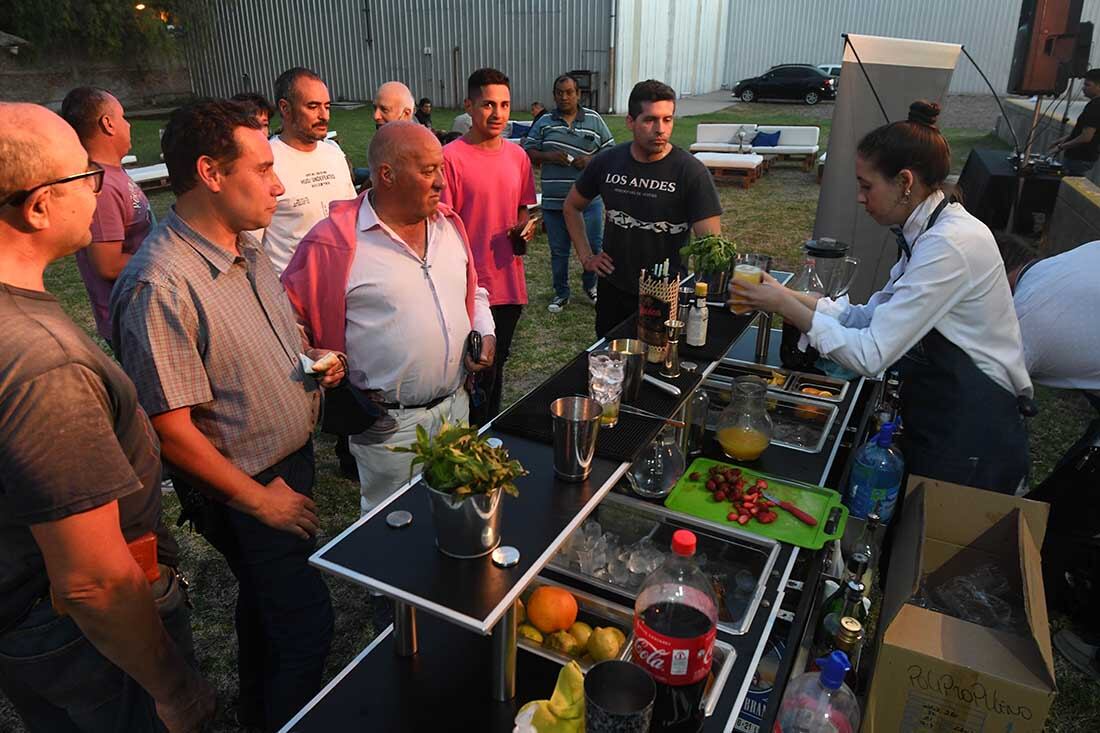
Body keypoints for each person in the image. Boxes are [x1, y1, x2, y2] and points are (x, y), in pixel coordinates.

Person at [110, 99, 344, 733]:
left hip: (284, 467)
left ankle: (258, 708)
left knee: (267, 610)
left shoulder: (244, 244)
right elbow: (171, 431)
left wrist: (307, 362)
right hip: (246, 488)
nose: (278, 183)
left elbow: (257, 343)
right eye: (264, 168)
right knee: (305, 628)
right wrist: (260, 502)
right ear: (211, 173)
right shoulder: (161, 283)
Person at [0, 102, 215, 733]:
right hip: (82, 638)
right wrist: (173, 689)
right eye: (84, 177)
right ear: (38, 205)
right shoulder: (43, 364)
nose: (99, 189)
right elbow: (94, 581)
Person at [732, 101, 1033, 493]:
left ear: (905, 182)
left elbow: (871, 355)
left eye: (866, 185)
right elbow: (868, 316)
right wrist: (783, 292)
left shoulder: (951, 244)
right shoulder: (927, 234)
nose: (860, 197)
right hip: (939, 408)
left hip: (973, 431)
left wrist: (782, 305)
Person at [283, 122, 496, 514]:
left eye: (441, 169)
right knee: (394, 525)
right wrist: (313, 355)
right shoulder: (331, 242)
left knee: (457, 508)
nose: (441, 183)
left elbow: (474, 287)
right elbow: (284, 323)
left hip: (456, 406)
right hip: (389, 426)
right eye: (428, 171)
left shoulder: (449, 226)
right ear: (387, 175)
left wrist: (485, 329)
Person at [565, 79, 722, 336]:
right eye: (650, 120)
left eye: (667, 119)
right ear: (630, 121)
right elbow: (572, 206)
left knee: (657, 365)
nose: (660, 129)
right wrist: (586, 257)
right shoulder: (607, 162)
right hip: (614, 289)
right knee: (612, 363)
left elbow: (712, 245)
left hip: (665, 293)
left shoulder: (691, 172)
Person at [442, 68, 537, 424]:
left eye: (505, 105)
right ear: (469, 105)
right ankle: (461, 435)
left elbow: (522, 209)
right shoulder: (450, 158)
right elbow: (442, 223)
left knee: (496, 366)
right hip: (466, 284)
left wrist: (525, 229)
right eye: (488, 105)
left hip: (509, 283)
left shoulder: (518, 158)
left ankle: (485, 434)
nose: (497, 114)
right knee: (466, 367)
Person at [60, 86, 153, 346]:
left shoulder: (112, 175)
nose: (129, 125)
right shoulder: (100, 185)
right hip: (132, 320)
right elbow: (107, 264)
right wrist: (167, 258)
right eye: (123, 117)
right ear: (108, 124)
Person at [524, 73, 615, 312]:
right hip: (555, 203)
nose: (564, 97)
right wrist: (549, 156)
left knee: (594, 247)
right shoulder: (544, 121)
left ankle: (591, 286)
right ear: (554, 95)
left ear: (578, 94)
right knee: (559, 250)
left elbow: (610, 151)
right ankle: (561, 292)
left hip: (588, 202)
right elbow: (529, 151)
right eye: (559, 93)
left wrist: (590, 160)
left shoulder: (594, 120)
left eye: (569, 92)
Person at [258, 67, 357, 276]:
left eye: (327, 107)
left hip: (343, 283)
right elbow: (250, 243)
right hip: (292, 294)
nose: (324, 116)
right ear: (285, 108)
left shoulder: (334, 153)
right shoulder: (266, 162)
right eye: (313, 107)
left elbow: (352, 216)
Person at [1049, 68, 1100, 176]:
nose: (1083, 88)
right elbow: (1082, 131)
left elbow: (1086, 137)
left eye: (1087, 85)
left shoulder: (1095, 106)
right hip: (1084, 157)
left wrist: (1060, 147)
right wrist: (1062, 140)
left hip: (1079, 158)